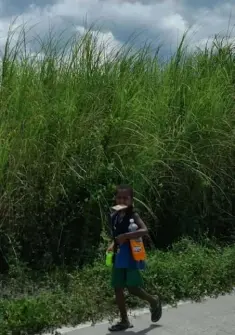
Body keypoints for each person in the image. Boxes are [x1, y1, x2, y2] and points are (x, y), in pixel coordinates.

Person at [107, 184, 162, 332]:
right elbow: (116, 234)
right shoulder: (114, 216)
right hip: (118, 256)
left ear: (131, 200)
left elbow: (144, 230)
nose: (122, 200)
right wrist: (113, 243)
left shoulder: (133, 215)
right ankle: (124, 320)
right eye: (119, 197)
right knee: (117, 287)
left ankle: (154, 300)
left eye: (126, 197)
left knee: (132, 288)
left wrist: (126, 236)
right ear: (115, 198)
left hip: (131, 255)